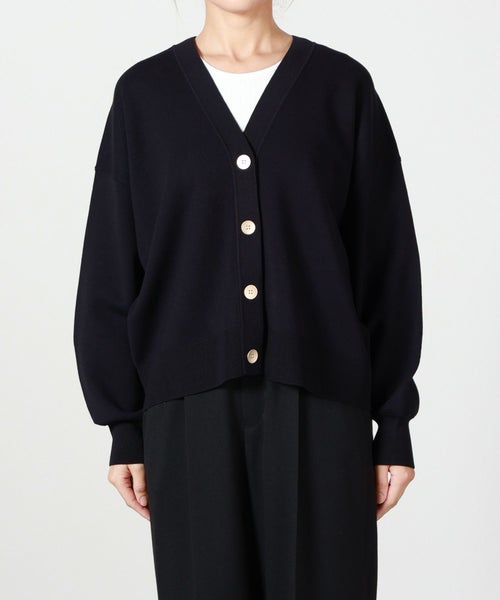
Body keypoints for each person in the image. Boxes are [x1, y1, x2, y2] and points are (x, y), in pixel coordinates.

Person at [73, 1, 423, 598]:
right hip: (188, 415)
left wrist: (393, 424)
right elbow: (110, 268)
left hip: (323, 409)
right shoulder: (143, 95)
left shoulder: (342, 87)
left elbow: (385, 265)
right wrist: (123, 426)